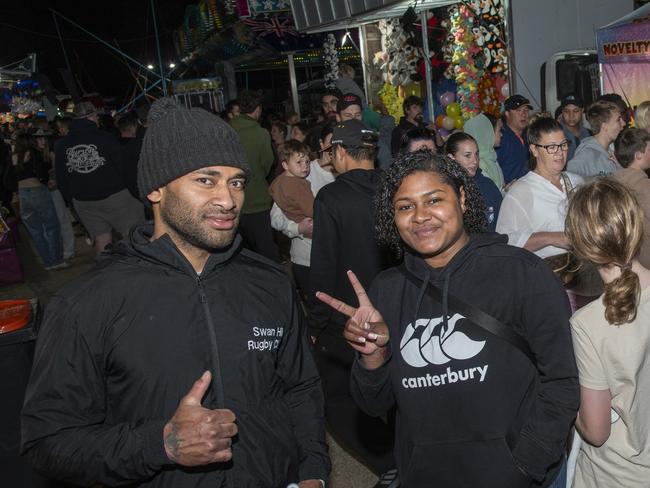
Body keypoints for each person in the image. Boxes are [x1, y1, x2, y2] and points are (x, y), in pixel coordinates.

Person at [21, 98, 330, 488]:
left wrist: (313, 473)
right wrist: (159, 444)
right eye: (206, 179)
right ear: (155, 190)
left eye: (236, 181)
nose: (228, 199)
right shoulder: (87, 303)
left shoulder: (268, 282)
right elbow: (48, 442)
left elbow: (301, 387)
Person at [317, 150, 579, 487]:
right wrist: (372, 356)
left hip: (517, 474)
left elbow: (562, 380)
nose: (421, 216)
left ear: (463, 198)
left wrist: (528, 461)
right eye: (405, 206)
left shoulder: (521, 273)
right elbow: (373, 404)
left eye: (434, 200)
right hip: (427, 476)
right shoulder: (387, 289)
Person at [308, 119, 396, 484]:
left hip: (350, 317)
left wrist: (315, 322)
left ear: (341, 152)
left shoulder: (331, 197)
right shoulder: (395, 188)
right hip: (396, 306)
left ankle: (388, 463)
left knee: (342, 396)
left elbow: (323, 263)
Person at [566, 178, 650, 487]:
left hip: (617, 477)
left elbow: (596, 431)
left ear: (582, 247)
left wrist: (566, 393)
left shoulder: (588, 324)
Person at [54, 101, 144, 254]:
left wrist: (72, 202)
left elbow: (61, 178)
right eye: (96, 116)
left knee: (101, 238)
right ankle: (140, 272)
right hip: (115, 197)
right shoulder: (105, 138)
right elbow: (123, 168)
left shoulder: (62, 145)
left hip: (84, 201)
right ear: (91, 116)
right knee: (132, 235)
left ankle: (105, 273)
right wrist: (136, 192)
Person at [497, 117, 581, 259]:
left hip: (580, 269)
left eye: (563, 145)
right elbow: (504, 242)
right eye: (552, 147)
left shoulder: (576, 181)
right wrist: (551, 238)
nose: (560, 152)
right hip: (545, 274)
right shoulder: (521, 191)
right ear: (534, 150)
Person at [270, 128, 336, 300]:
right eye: (332, 142)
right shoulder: (294, 178)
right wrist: (298, 228)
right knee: (315, 306)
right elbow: (276, 218)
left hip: (337, 256)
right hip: (305, 256)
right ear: (322, 144)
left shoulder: (348, 175)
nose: (336, 148)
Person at [230, 90, 279, 262]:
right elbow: (267, 164)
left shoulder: (226, 128)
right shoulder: (260, 133)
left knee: (240, 251)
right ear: (257, 110)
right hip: (257, 199)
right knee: (266, 248)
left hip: (231, 199)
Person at [12, 133, 67, 270]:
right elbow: (42, 172)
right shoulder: (34, 153)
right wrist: (46, 181)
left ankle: (47, 262)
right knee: (51, 226)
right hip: (38, 190)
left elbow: (8, 178)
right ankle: (57, 260)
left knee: (35, 231)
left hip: (22, 194)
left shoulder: (13, 156)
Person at [446, 132, 502, 231]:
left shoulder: (487, 185)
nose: (475, 161)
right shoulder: (443, 189)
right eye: (467, 156)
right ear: (451, 159)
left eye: (476, 154)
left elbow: (502, 222)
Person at [34, 128, 75, 260]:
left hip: (53, 191)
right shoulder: (34, 155)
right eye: (38, 138)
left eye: (42, 138)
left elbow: (61, 172)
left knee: (62, 220)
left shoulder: (51, 155)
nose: (41, 141)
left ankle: (69, 249)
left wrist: (55, 181)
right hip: (41, 192)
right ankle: (59, 250)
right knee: (49, 223)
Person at [612, 128, 650, 268]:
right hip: (645, 260)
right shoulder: (645, 187)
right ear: (639, 155)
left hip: (622, 258)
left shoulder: (612, 182)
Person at [567, 100, 624, 179]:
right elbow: (570, 177)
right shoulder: (587, 153)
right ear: (604, 126)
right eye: (618, 120)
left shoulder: (612, 149)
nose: (623, 123)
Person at [464, 112, 505, 190]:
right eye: (499, 130)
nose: (501, 134)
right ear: (488, 133)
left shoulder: (490, 156)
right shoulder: (478, 163)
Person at [496, 94, 532, 184]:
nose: (523, 114)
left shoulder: (529, 136)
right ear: (507, 114)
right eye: (518, 110)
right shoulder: (501, 138)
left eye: (526, 110)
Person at [559, 94, 591, 161]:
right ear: (562, 112)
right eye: (567, 111)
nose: (571, 116)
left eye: (576, 111)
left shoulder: (589, 135)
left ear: (582, 111)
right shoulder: (556, 134)